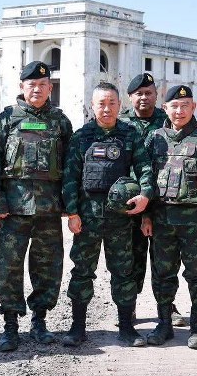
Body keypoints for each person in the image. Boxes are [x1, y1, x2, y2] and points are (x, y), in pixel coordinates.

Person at [0, 61, 73, 352]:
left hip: (48, 211)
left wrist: (70, 206)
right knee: (9, 267)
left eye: (43, 85)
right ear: (22, 87)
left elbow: (70, 168)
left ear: (50, 88)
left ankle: (39, 321)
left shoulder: (60, 121)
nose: (37, 89)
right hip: (13, 210)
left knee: (47, 268)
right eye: (31, 84)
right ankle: (10, 325)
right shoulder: (7, 119)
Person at [61, 82, 154, 348]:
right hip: (87, 218)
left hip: (120, 219)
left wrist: (145, 195)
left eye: (112, 103)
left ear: (120, 105)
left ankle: (126, 328)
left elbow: (145, 169)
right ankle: (78, 327)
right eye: (101, 103)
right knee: (82, 271)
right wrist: (72, 212)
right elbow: (70, 177)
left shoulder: (130, 135)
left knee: (124, 272)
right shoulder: (81, 137)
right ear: (92, 106)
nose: (106, 108)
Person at [143, 85, 197, 349]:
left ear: (193, 107)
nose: (179, 111)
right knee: (162, 274)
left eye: (185, 106)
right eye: (174, 106)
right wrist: (145, 217)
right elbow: (144, 180)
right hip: (161, 221)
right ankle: (164, 324)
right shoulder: (155, 138)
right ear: (165, 108)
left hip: (195, 222)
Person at [119, 73, 185, 327]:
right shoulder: (122, 123)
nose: (144, 97)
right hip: (129, 203)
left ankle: (168, 305)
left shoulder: (168, 119)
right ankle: (130, 306)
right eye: (139, 93)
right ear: (130, 97)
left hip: (162, 203)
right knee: (131, 258)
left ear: (157, 95)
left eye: (149, 93)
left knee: (165, 259)